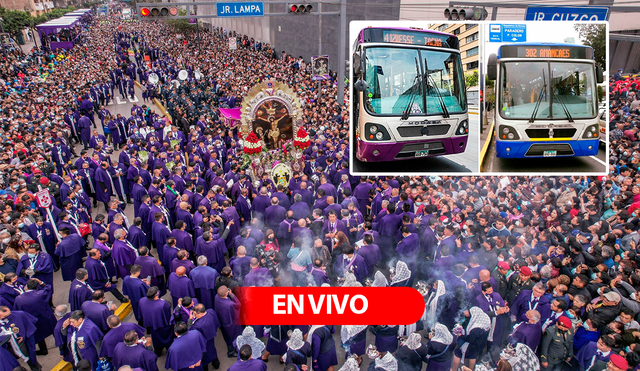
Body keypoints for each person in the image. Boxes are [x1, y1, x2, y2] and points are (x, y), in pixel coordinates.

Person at [13, 279, 56, 356]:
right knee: (54, 330)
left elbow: (17, 310)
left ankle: (43, 350)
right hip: (46, 316)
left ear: (26, 287)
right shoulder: (41, 294)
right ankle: (60, 342)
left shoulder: (19, 299)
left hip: (33, 319)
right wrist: (41, 282)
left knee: (39, 335)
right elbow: (48, 287)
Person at [451, 307, 491, 371]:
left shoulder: (475, 329)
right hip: (479, 346)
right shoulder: (484, 324)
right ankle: (471, 369)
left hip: (471, 346)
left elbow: (469, 339)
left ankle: (454, 369)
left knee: (457, 352)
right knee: (473, 356)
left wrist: (461, 335)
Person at [139, 286, 175, 356]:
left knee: (156, 338)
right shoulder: (162, 304)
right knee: (168, 338)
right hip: (163, 324)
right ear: (156, 295)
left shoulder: (142, 301)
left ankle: (158, 351)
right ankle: (169, 350)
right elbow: (167, 314)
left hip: (151, 325)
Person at [216, 285, 243, 357]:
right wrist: (232, 295)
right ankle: (231, 352)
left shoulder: (216, 297)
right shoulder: (230, 304)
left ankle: (231, 349)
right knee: (233, 336)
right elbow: (238, 304)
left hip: (223, 320)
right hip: (231, 323)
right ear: (226, 293)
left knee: (227, 336)